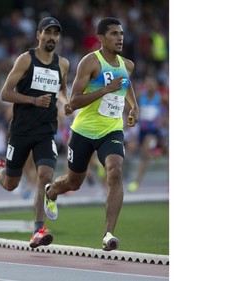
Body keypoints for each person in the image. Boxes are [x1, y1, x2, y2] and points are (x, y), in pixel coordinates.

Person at [44, 17, 139, 251]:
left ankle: (108, 234)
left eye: (122, 34)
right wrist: (106, 89)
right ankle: (52, 191)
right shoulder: (90, 62)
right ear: (101, 38)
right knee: (73, 183)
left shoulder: (127, 65)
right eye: (114, 34)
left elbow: (126, 85)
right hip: (84, 131)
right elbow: (74, 101)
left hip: (112, 130)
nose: (120, 38)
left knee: (115, 172)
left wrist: (134, 106)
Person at [0, 17, 73, 248]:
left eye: (56, 33)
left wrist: (66, 101)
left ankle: (37, 230)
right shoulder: (26, 59)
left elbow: (62, 89)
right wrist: (33, 100)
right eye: (48, 32)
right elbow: (5, 93)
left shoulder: (62, 63)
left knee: (45, 175)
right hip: (21, 130)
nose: (52, 37)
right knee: (12, 183)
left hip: (46, 130)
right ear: (38, 35)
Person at [128, 76, 164, 192]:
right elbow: (130, 105)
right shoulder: (140, 96)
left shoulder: (161, 98)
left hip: (154, 131)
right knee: (144, 156)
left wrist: (165, 119)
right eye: (147, 85)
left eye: (151, 85)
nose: (149, 87)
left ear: (156, 86)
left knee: (145, 152)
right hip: (142, 130)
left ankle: (136, 182)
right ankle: (155, 152)